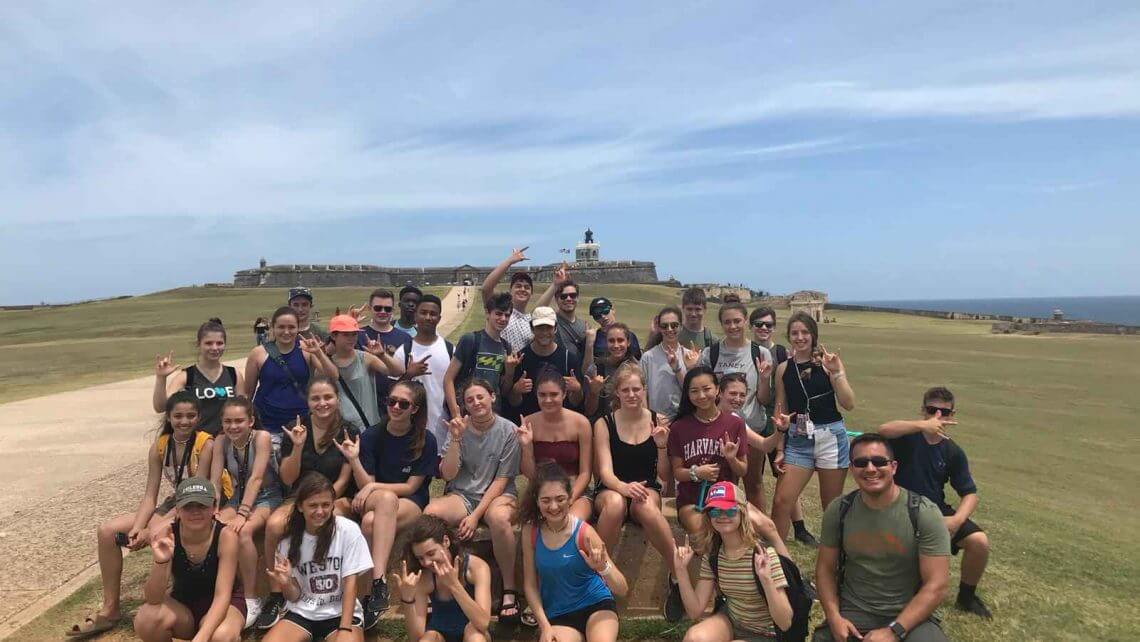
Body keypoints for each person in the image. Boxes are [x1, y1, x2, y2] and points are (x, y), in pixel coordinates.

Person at [67, 393, 216, 639]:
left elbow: (194, 493)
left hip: (194, 503)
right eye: (178, 416)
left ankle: (161, 596)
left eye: (190, 416)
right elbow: (150, 495)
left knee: (157, 532)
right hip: (171, 504)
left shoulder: (205, 444)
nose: (184, 421)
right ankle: (111, 607)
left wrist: (152, 529)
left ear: (199, 417)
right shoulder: (161, 445)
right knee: (107, 531)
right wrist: (138, 527)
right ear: (168, 417)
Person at [813, 434, 951, 642]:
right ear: (852, 469)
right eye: (861, 462)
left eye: (879, 461)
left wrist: (893, 632)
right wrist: (833, 617)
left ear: (894, 467)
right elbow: (824, 569)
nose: (870, 469)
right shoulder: (839, 510)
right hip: (854, 612)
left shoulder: (924, 513)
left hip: (911, 615)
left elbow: (937, 585)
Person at [879, 387, 992, 618]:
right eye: (932, 410)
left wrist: (956, 521)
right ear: (923, 410)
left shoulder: (952, 451)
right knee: (913, 586)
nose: (938, 417)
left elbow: (970, 493)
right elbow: (883, 430)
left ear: (953, 414)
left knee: (979, 542)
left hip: (934, 511)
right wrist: (922, 425)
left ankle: (966, 597)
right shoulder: (905, 438)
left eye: (945, 412)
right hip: (899, 508)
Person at [256, 375, 357, 629]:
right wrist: (298, 447)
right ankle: (277, 592)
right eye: (316, 398)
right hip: (299, 497)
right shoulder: (296, 428)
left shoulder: (349, 430)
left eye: (328, 397)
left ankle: (339, 593)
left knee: (338, 519)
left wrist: (322, 504)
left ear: (337, 399)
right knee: (274, 526)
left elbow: (345, 478)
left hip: (336, 496)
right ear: (308, 402)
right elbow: (288, 477)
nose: (322, 403)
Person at [426, 379, 528, 626]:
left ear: (492, 397)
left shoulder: (508, 430)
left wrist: (474, 516)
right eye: (470, 400)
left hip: (499, 494)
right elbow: (448, 475)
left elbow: (502, 480)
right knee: (430, 514)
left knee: (498, 518)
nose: (476, 403)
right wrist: (456, 440)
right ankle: (435, 581)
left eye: (480, 397)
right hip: (463, 494)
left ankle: (509, 590)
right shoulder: (458, 428)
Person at [342, 380, 439, 629]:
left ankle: (366, 597)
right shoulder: (372, 435)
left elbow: (410, 487)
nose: (395, 407)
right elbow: (366, 484)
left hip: (408, 501)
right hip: (375, 498)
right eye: (391, 401)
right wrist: (354, 462)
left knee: (370, 522)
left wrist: (375, 487)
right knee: (383, 503)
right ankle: (378, 582)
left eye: (403, 404)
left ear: (415, 409)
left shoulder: (425, 439)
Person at [590, 361, 681, 622]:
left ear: (644, 390)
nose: (632, 395)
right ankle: (599, 575)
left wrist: (662, 447)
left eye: (636, 389)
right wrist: (623, 487)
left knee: (647, 507)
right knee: (616, 504)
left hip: (645, 488)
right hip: (612, 488)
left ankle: (677, 573)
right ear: (617, 392)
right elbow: (605, 471)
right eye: (626, 390)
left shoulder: (658, 420)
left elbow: (663, 476)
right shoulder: (604, 423)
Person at [667, 368, 789, 557]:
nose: (701, 395)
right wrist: (697, 472)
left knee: (768, 526)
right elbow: (677, 472)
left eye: (706, 389)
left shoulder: (735, 424)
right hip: (693, 501)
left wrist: (731, 458)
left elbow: (742, 471)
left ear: (717, 390)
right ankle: (700, 582)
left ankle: (790, 578)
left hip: (727, 498)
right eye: (694, 391)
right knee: (703, 535)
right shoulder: (679, 427)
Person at [771, 311, 856, 541]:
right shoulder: (783, 369)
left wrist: (837, 372)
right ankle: (777, 561)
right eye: (794, 333)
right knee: (781, 501)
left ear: (813, 335)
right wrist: (780, 449)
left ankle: (834, 560)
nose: (800, 337)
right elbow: (781, 411)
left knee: (831, 507)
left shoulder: (827, 364)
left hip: (830, 436)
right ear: (788, 337)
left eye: (805, 332)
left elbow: (848, 403)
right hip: (799, 440)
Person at [672, 481, 793, 642]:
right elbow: (695, 611)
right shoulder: (714, 555)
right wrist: (680, 571)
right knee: (694, 638)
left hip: (767, 634)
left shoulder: (763, 555)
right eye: (715, 511)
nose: (722, 516)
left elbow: (785, 623)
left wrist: (766, 580)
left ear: (742, 513)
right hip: (732, 622)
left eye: (729, 510)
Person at [522, 463, 628, 642]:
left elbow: (622, 589)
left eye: (560, 499)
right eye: (546, 500)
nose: (554, 507)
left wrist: (603, 568)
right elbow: (530, 585)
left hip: (596, 605)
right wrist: (545, 626)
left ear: (570, 498)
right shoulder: (530, 532)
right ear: (537, 501)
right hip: (558, 614)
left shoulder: (584, 532)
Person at [262, 473, 373, 642]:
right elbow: (294, 596)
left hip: (340, 612)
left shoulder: (348, 531)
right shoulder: (289, 541)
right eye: (313, 505)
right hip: (303, 612)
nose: (320, 511)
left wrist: (344, 628)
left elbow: (351, 584)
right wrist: (286, 583)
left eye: (326, 505)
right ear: (300, 506)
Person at [132, 478, 245, 642]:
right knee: (146, 618)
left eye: (202, 505)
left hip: (224, 604)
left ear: (214, 508)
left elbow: (222, 595)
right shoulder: (167, 534)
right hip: (184, 603)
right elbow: (153, 598)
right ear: (177, 509)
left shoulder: (226, 536)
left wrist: (201, 637)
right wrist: (160, 562)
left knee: (221, 636)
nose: (195, 512)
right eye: (188, 506)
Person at [209, 396, 283, 628]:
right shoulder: (221, 442)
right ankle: (216, 588)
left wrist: (242, 515)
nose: (233, 426)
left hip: (267, 496)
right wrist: (213, 508)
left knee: (244, 531)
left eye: (239, 420)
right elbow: (215, 481)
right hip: (237, 496)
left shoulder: (261, 438)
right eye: (228, 421)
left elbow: (257, 477)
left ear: (251, 421)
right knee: (213, 527)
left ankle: (252, 598)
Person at [750, 306, 816, 546]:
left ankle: (798, 527)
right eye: (758, 324)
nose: (763, 328)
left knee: (785, 473)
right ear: (752, 327)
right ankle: (758, 527)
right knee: (754, 479)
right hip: (756, 422)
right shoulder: (748, 350)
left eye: (768, 324)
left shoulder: (781, 353)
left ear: (775, 327)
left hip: (782, 422)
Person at [242, 306, 337, 441]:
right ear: (273, 328)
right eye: (281, 327)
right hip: (266, 425)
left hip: (299, 423)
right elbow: (248, 394)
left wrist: (318, 353)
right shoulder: (258, 354)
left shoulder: (306, 351)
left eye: (291, 327)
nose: (286, 332)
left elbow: (333, 376)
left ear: (298, 328)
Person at [396, 515, 493, 642]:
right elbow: (416, 638)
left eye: (431, 554)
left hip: (473, 630)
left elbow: (483, 623)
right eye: (420, 558)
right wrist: (407, 600)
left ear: (446, 541)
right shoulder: (424, 577)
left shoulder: (477, 568)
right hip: (439, 633)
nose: (426, 562)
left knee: (476, 637)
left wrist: (453, 585)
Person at [516, 369, 594, 521]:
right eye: (542, 395)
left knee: (570, 521)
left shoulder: (581, 423)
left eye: (553, 394)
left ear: (564, 394)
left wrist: (569, 499)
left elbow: (585, 473)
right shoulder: (528, 423)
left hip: (575, 488)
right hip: (541, 490)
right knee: (536, 524)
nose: (548, 400)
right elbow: (530, 473)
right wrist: (526, 447)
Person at [153, 319, 241, 435]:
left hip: (227, 443)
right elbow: (161, 407)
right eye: (208, 343)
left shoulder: (233, 374)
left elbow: (243, 410)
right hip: (197, 445)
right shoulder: (186, 376)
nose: (215, 348)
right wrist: (161, 378)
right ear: (199, 344)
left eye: (219, 343)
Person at [392, 294, 456, 446]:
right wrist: (409, 374)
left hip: (443, 428)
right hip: (411, 429)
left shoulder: (450, 350)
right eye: (423, 312)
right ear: (416, 316)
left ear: (439, 318)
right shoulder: (404, 351)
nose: (428, 317)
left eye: (433, 314)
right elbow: (392, 393)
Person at [504, 306, 584, 419]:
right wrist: (516, 390)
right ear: (532, 328)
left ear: (555, 328)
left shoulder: (569, 359)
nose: (544, 332)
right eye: (540, 328)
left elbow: (576, 403)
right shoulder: (520, 359)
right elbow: (513, 403)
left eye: (549, 327)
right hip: (529, 423)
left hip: (559, 424)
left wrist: (577, 389)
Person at [327, 314, 404, 431]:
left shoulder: (365, 358)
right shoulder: (327, 364)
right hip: (340, 430)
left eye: (354, 334)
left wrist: (382, 355)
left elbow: (397, 372)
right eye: (346, 335)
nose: (351, 338)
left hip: (368, 428)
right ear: (334, 336)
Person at [479, 248, 563, 353]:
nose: (522, 289)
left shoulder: (529, 320)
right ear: (510, 290)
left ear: (531, 293)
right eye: (518, 286)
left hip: (521, 368)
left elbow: (538, 309)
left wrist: (555, 285)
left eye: (527, 287)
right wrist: (510, 261)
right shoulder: (501, 313)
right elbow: (486, 289)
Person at [443, 293, 512, 420]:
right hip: (467, 413)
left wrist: (510, 370)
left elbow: (504, 390)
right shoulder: (470, 340)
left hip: (492, 415)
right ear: (487, 313)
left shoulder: (506, 347)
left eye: (507, 315)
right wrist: (455, 414)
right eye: (498, 313)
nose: (503, 318)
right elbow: (448, 379)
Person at [356, 288, 414, 414]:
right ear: (370, 308)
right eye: (378, 308)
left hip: (396, 405)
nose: (383, 312)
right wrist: (350, 323)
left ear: (392, 310)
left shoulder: (405, 338)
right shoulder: (358, 335)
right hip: (364, 402)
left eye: (387, 309)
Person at [639, 307, 700, 421]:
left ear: (681, 327)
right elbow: (642, 391)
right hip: (656, 420)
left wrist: (683, 368)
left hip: (684, 420)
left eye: (674, 325)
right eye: (664, 326)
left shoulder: (689, 356)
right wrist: (648, 418)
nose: (669, 329)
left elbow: (692, 391)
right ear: (659, 328)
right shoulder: (648, 357)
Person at [583, 323, 640, 419]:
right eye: (611, 341)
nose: (616, 345)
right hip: (602, 424)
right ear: (606, 342)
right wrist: (594, 392)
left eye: (620, 340)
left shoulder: (637, 369)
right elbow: (589, 410)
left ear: (628, 342)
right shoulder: (597, 368)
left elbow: (642, 406)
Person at [646, 287, 717, 351]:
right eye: (689, 309)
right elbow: (648, 359)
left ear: (705, 310)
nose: (693, 314)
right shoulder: (670, 332)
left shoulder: (711, 340)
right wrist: (653, 335)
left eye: (698, 309)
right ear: (683, 308)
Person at [587, 297, 641, 365]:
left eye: (605, 311)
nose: (603, 316)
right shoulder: (593, 338)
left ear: (613, 310)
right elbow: (587, 367)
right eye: (597, 315)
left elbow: (638, 361)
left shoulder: (629, 335)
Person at [552, 279, 588, 368]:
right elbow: (536, 312)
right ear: (556, 299)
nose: (569, 299)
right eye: (563, 296)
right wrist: (554, 285)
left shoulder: (584, 326)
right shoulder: (551, 321)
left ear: (577, 298)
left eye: (573, 295)